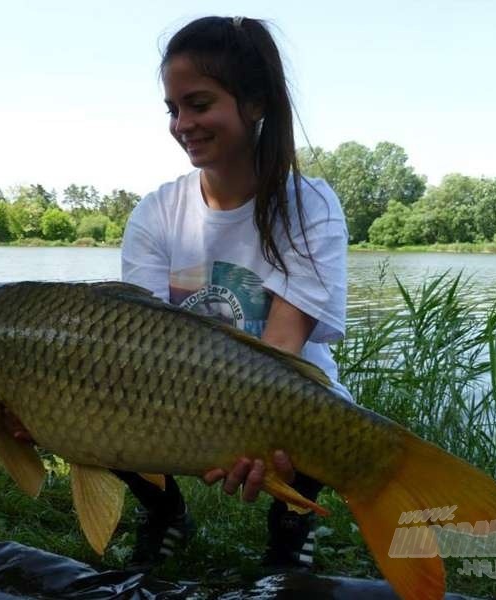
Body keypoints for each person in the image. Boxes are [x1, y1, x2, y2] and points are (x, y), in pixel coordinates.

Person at [117, 15, 349, 570]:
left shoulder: (309, 206)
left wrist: (241, 438)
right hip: (175, 383)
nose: (182, 124)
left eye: (198, 105)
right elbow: (136, 346)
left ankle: (292, 531)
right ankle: (166, 512)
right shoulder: (156, 213)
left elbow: (282, 347)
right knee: (99, 397)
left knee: (318, 420)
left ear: (256, 103)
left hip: (280, 384)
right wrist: (195, 424)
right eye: (173, 109)